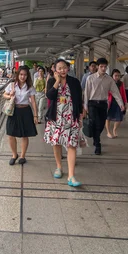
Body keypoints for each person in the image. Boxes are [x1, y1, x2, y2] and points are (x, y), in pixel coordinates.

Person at [44, 59, 84, 187]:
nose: (62, 70)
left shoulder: (74, 82)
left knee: (72, 144)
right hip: (56, 117)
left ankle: (71, 176)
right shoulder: (51, 81)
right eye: (59, 68)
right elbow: (49, 96)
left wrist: (81, 115)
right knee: (56, 143)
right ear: (55, 69)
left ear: (68, 68)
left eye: (64, 67)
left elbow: (79, 99)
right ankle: (59, 166)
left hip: (71, 116)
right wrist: (56, 81)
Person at [83, 58, 124, 155]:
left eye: (105, 67)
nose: (103, 68)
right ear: (97, 66)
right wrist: (85, 105)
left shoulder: (109, 79)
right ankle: (98, 144)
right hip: (92, 103)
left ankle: (95, 137)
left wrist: (121, 103)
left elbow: (115, 92)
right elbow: (87, 92)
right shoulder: (90, 78)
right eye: (101, 66)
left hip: (103, 104)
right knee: (96, 122)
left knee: (101, 125)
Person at [3, 65, 38, 165]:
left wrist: (36, 115)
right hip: (14, 111)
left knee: (24, 135)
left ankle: (22, 156)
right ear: (18, 75)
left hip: (26, 111)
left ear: (28, 76)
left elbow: (34, 102)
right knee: (10, 134)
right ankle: (14, 155)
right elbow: (4, 95)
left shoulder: (30, 87)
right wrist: (10, 95)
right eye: (21, 74)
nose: (23, 77)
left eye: (25, 75)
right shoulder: (12, 85)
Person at [105, 69, 127, 139]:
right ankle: (108, 132)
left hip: (119, 102)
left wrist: (125, 102)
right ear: (112, 76)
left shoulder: (121, 83)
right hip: (110, 102)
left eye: (118, 76)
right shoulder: (108, 83)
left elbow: (123, 93)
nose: (117, 77)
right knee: (108, 117)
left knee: (119, 118)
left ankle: (114, 129)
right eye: (115, 75)